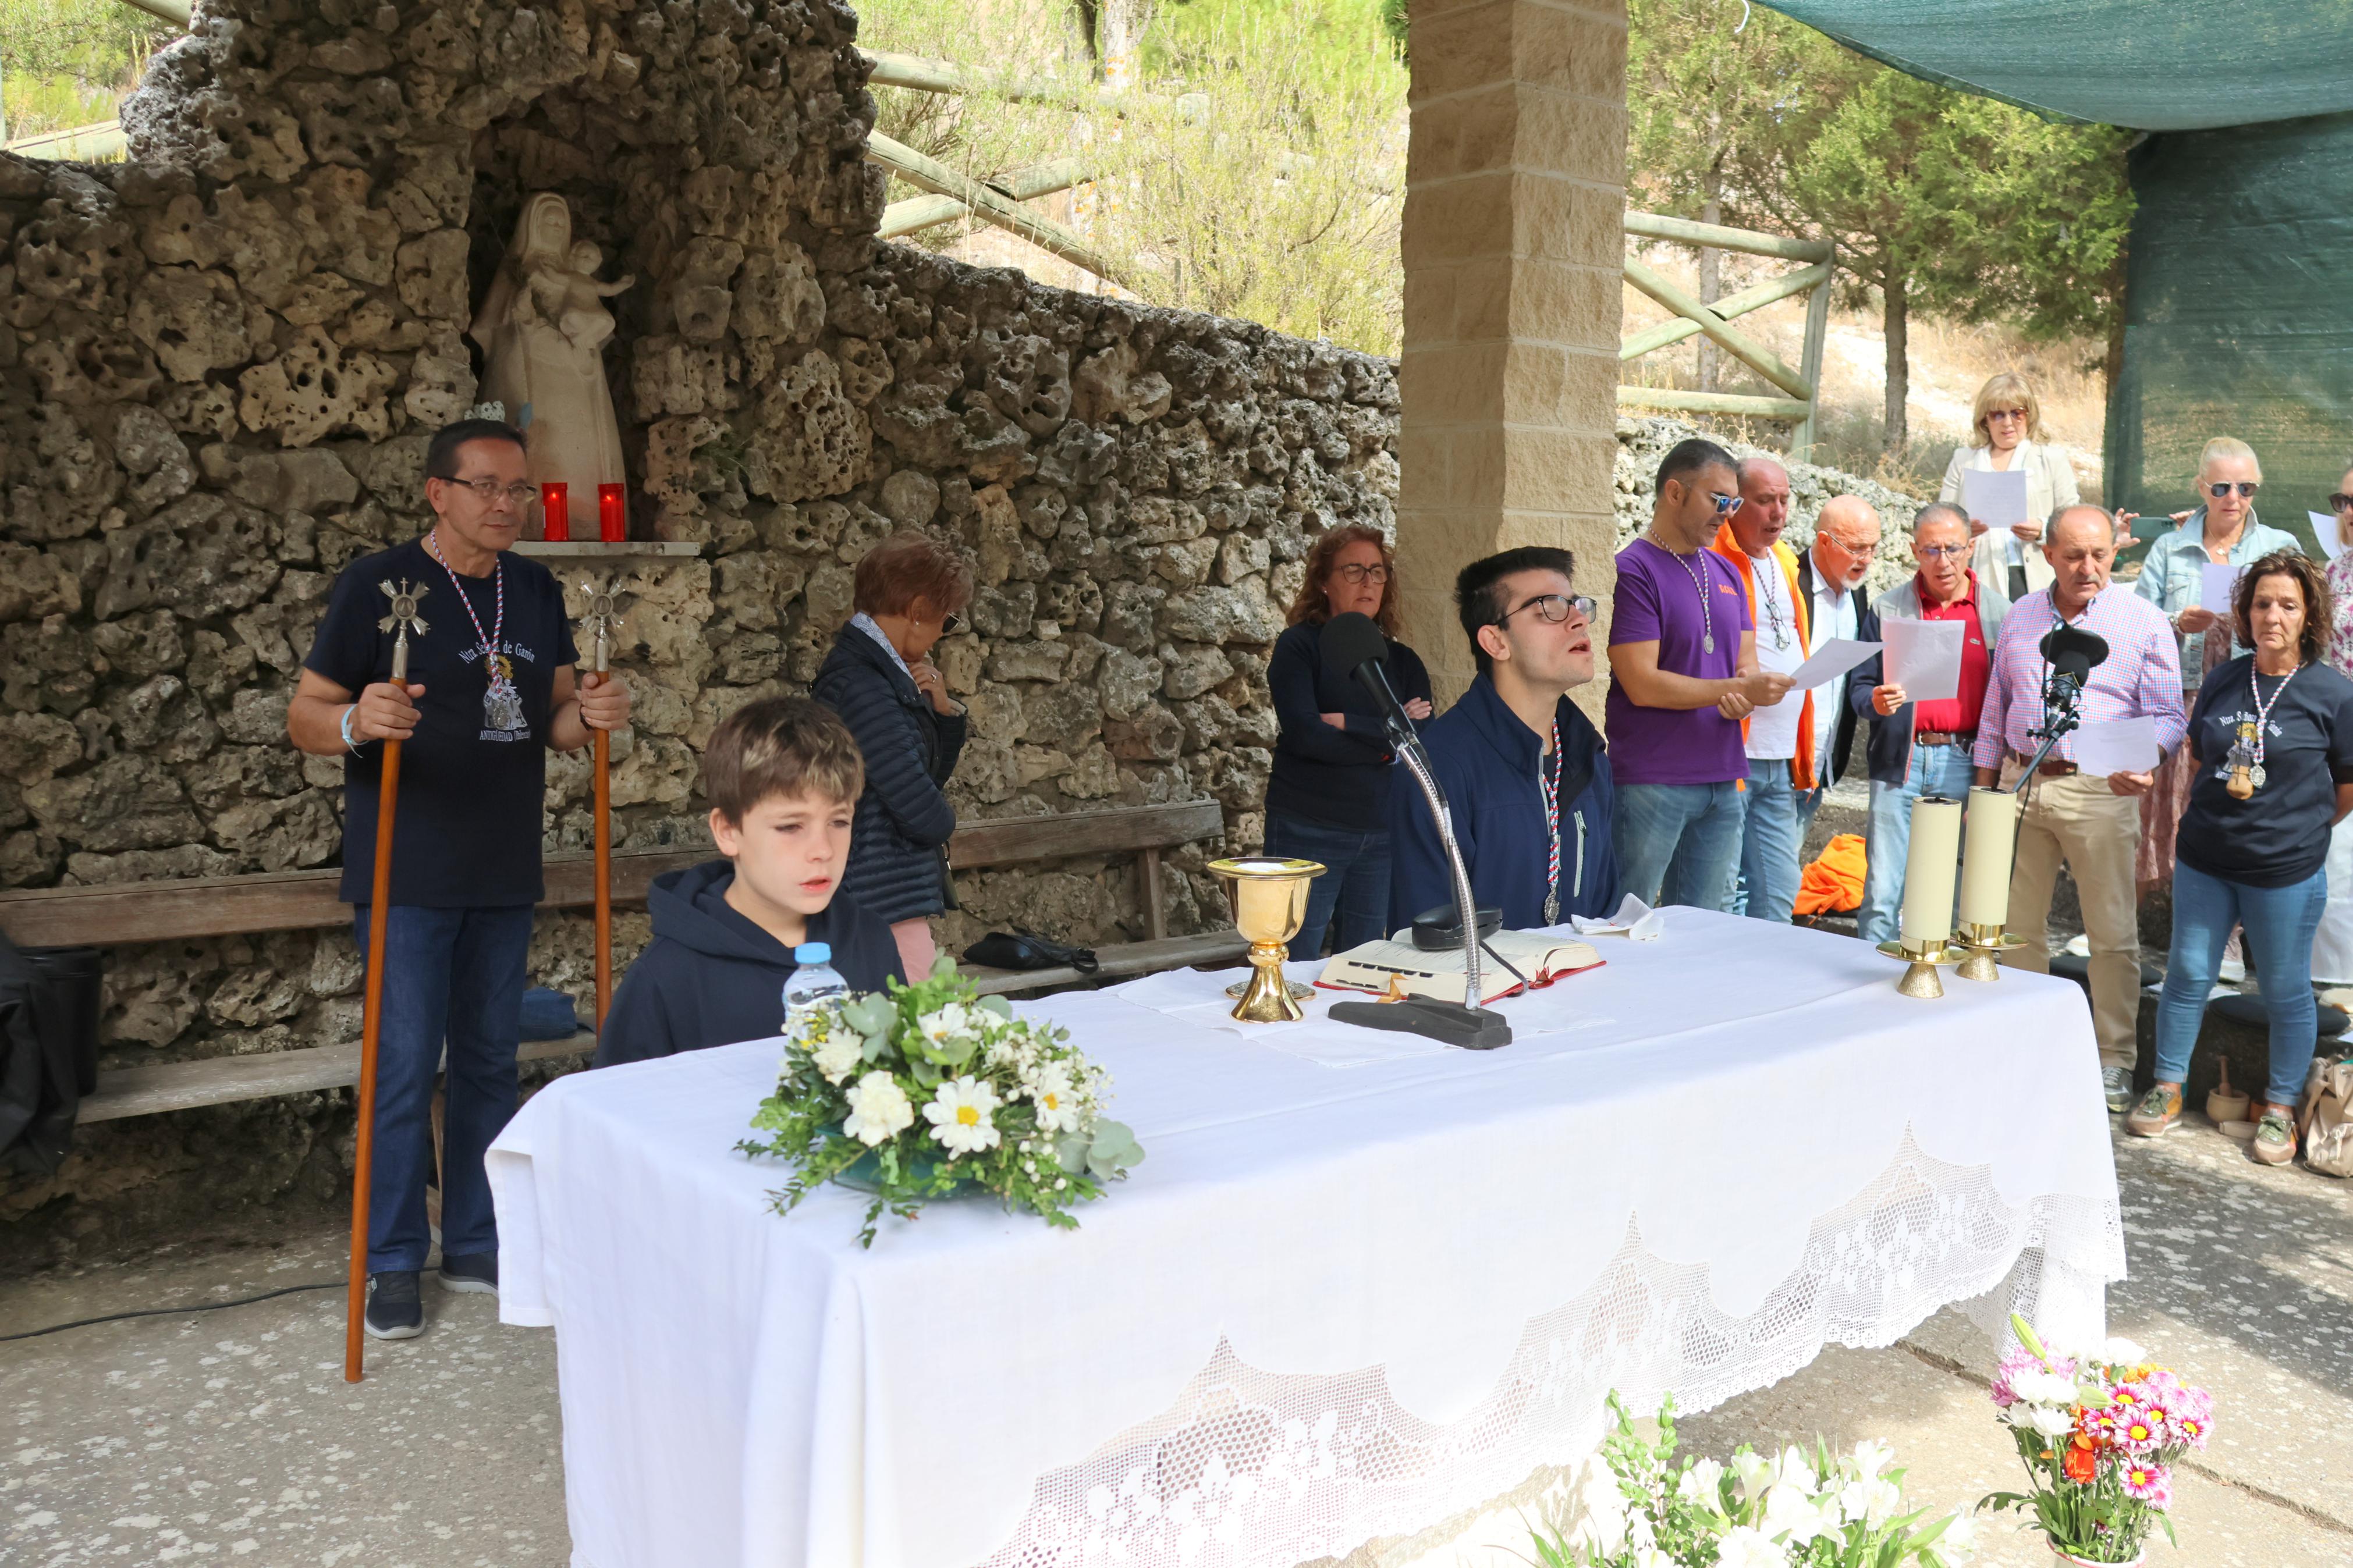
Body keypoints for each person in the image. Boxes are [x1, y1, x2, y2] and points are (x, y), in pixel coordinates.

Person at [288, 417, 633, 1339]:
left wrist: (592, 711)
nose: (505, 505)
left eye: (517, 489)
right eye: (484, 486)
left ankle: (478, 1238)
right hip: (406, 866)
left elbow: (553, 718)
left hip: (501, 860)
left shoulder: (532, 587)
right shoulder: (379, 585)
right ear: (437, 492)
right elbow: (306, 715)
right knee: (403, 1066)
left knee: (488, 1059)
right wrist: (361, 719)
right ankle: (394, 1260)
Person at [2130, 553, 2353, 1162]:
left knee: (2284, 990)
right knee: (2185, 977)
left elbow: (2342, 792)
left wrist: (2288, 831)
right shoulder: (2226, 680)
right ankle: (2167, 1088)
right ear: (2243, 611)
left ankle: (2279, 1107)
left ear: (2309, 615)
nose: (2271, 615)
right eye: (2260, 603)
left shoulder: (2332, 694)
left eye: (2286, 604)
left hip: (2283, 872)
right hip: (2205, 858)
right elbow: (2202, 760)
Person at [1974, 505, 2185, 1113]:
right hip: (2020, 781)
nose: (2086, 567)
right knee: (2013, 929)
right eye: (2072, 555)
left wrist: (2147, 759)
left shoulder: (2142, 620)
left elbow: (2169, 714)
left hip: (2101, 785)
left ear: (2115, 552)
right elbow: (1995, 709)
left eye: (2098, 554)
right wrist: (1984, 792)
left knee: (2111, 933)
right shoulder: (2020, 616)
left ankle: (2112, 1060)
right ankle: (2023, 1045)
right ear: (2046, 554)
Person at [595, 698, 903, 1067]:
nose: (822, 850)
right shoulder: (667, 977)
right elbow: (617, 1113)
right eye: (790, 826)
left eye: (839, 822)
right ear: (728, 831)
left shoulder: (871, 941)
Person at [1389, 547, 1619, 930]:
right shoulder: (1439, 768)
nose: (1579, 620)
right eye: (1550, 607)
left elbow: (1604, 912)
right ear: (1496, 642)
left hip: (1578, 983)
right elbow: (1426, 937)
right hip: (1483, 988)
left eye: (1577, 605)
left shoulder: (1589, 756)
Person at [1607, 438, 1787, 910]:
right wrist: (1734, 688)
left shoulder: (1728, 571)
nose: (1727, 513)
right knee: (1627, 920)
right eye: (1716, 499)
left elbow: (1744, 663)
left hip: (1723, 777)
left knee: (1706, 928)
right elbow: (1641, 683)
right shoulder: (1633, 570)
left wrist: (1746, 693)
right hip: (1652, 779)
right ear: (1674, 492)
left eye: (1733, 501)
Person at [2128, 438, 2305, 896]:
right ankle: (2133, 917)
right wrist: (2175, 622)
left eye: (2246, 488)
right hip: (2180, 696)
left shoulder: (2278, 546)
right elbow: (2136, 622)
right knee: (2160, 806)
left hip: (2248, 697)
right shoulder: (2171, 547)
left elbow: (2298, 619)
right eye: (2222, 487)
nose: (2234, 499)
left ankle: (2227, 934)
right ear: (2200, 486)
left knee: (2233, 801)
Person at [1265, 525, 1435, 959]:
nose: (1368, 582)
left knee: (1362, 962)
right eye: (1354, 570)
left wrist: (1344, 722)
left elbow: (1418, 744)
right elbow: (1306, 735)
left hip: (1380, 832)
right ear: (1324, 582)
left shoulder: (1401, 660)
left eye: (1377, 572)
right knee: (1294, 957)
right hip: (1309, 826)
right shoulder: (1299, 647)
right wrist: (1385, 737)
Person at [812, 532, 975, 980]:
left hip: (879, 892)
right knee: (916, 1027)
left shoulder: (879, 677)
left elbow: (919, 776)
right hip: (877, 897)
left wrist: (943, 714)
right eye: (948, 619)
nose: (944, 631)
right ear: (919, 610)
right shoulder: (864, 686)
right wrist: (945, 823)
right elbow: (919, 807)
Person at [1851, 504, 2010, 947]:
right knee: (1883, 888)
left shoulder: (1999, 613)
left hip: (1966, 760)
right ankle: (1867, 979)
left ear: (1971, 548)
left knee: (1961, 888)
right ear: (1913, 551)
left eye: (1953, 548)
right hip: (1901, 760)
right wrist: (1876, 702)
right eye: (1931, 550)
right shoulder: (1888, 607)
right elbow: (1859, 688)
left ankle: (1950, 983)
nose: (1943, 561)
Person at [1712, 457, 1815, 923]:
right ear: (1734, 503)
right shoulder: (1713, 557)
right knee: (1719, 893)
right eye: (1764, 500)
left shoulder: (1786, 562)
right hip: (1733, 754)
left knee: (1778, 894)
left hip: (1780, 758)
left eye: (1784, 499)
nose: (1778, 512)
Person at [1942, 371, 2081, 602]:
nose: (2008, 423)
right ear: (1985, 420)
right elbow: (1941, 519)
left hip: (2034, 573)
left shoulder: (2051, 459)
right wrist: (1964, 530)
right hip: (1977, 573)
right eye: (1997, 414)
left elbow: (2074, 522)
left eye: (2017, 413)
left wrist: (2042, 529)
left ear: (2030, 416)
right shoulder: (1963, 460)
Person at [1795, 496, 1882, 838]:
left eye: (1874, 547)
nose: (1868, 559)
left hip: (1822, 766)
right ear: (1824, 541)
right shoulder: (1790, 585)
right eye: (1858, 548)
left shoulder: (1856, 594)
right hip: (1778, 765)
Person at [2314, 465, 2353, 987]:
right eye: (2342, 501)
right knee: (2335, 860)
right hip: (2334, 731)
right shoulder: (2333, 571)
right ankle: (2334, 990)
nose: (2348, 512)